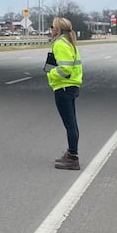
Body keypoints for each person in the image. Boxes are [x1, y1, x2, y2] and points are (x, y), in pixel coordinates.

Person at [46, 17, 83, 170]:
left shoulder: (60, 44)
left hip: (64, 88)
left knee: (70, 124)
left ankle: (73, 157)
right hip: (72, 86)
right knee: (72, 123)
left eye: (52, 27)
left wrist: (51, 74)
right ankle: (71, 153)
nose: (51, 29)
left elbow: (65, 69)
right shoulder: (69, 43)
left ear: (58, 30)